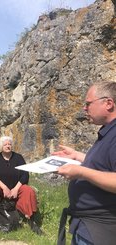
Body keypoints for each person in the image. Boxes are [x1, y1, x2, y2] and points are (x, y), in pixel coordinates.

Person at [53, 81, 116, 245]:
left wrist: (81, 172)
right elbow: (105, 165)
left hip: (101, 231)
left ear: (108, 103)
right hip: (87, 227)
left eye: (88, 103)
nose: (84, 108)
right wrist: (79, 157)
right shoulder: (108, 132)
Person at [0, 136, 42, 235]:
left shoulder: (18, 158)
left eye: (9, 144)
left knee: (28, 191)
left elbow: (25, 175)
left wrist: (16, 189)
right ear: (1, 146)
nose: (8, 146)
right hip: (0, 189)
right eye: (5, 144)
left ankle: (31, 219)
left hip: (16, 188)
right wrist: (4, 188)